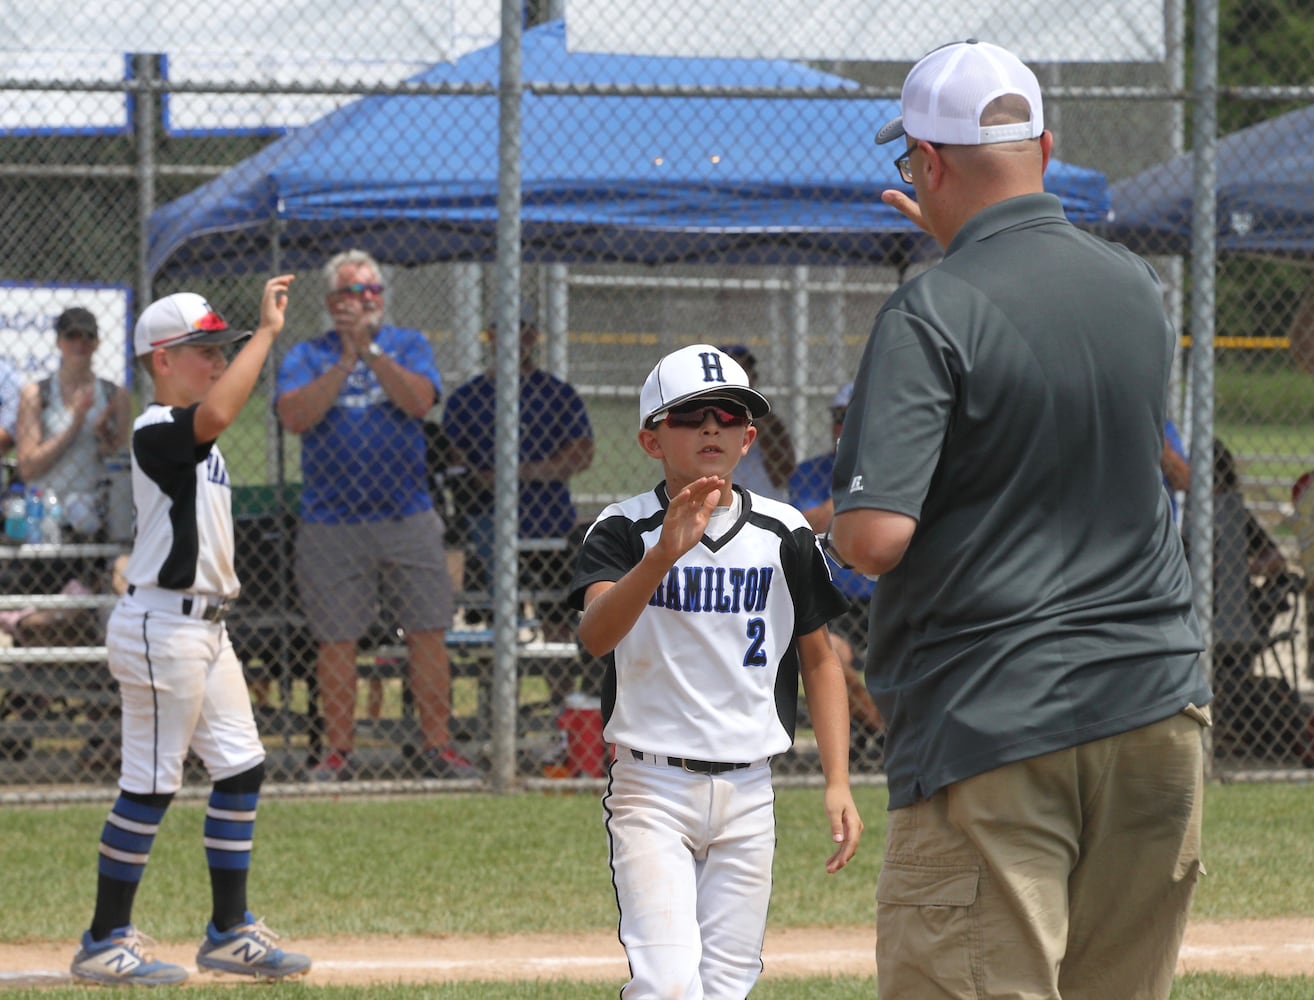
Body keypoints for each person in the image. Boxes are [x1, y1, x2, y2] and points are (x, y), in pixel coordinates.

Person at [828, 40, 1210, 999]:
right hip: (1154, 706)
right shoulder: (1137, 289)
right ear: (1045, 147)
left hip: (995, 717)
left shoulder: (931, 308)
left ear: (930, 165)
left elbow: (876, 539)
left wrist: (820, 518)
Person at [570, 342, 862, 997]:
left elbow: (818, 660)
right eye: (690, 415)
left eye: (729, 415)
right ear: (652, 440)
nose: (712, 427)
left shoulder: (784, 531)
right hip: (652, 787)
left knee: (728, 984)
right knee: (669, 983)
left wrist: (837, 780)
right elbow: (596, 635)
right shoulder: (621, 529)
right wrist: (659, 560)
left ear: (748, 436)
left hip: (751, 789)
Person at [69, 279, 311, 986]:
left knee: (241, 767)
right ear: (162, 360)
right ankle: (102, 938)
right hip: (160, 628)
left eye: (219, 350)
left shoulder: (199, 438)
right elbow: (215, 414)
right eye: (203, 350)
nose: (214, 361)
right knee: (149, 785)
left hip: (207, 629)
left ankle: (229, 932)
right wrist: (265, 335)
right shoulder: (155, 429)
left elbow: (215, 416)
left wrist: (253, 342)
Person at [275, 248, 476, 781]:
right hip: (331, 521)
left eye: (372, 291)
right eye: (352, 292)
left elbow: (418, 402)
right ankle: (339, 753)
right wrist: (346, 359)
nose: (364, 301)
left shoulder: (408, 345)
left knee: (428, 629)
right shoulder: (308, 354)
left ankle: (438, 747)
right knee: (336, 638)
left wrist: (372, 352)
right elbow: (294, 416)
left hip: (406, 515)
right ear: (330, 301)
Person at [442, 316, 594, 702]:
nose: (515, 339)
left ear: (534, 337)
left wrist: (517, 472)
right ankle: (493, 710)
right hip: (485, 528)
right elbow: (455, 459)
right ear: (490, 337)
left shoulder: (556, 394)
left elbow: (580, 454)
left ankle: (562, 705)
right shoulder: (469, 397)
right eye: (505, 330)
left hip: (548, 524)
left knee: (557, 619)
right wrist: (482, 477)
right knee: (491, 621)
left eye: (524, 330)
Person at [787, 383, 883, 752]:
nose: (844, 427)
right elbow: (807, 522)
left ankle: (885, 733)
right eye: (840, 418)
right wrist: (856, 482)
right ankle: (883, 732)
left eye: (855, 419)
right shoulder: (812, 471)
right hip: (834, 598)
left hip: (884, 596)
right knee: (832, 656)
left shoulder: (900, 467)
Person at [16, 307, 131, 539]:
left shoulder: (114, 395)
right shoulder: (37, 394)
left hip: (96, 508)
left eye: (88, 336)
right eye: (72, 336)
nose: (80, 343)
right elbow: (27, 468)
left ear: (97, 343)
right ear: (59, 342)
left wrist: (103, 435)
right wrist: (75, 426)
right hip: (46, 507)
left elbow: (119, 462)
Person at [717, 343, 795, 501]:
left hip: (765, 505)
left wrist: (761, 423)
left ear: (754, 377)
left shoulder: (770, 422)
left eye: (744, 370)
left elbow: (784, 475)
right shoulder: (698, 420)